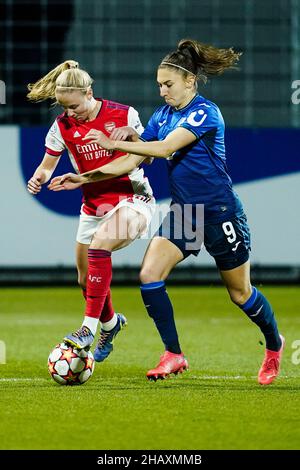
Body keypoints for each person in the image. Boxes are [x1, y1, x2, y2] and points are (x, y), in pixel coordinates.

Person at [49, 39, 285, 386]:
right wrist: (83, 177)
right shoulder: (162, 116)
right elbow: (133, 161)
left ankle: (274, 344)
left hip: (219, 212)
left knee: (240, 294)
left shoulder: (205, 111)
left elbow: (164, 148)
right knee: (149, 275)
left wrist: (115, 141)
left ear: (189, 81)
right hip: (186, 212)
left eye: (168, 84)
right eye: (159, 85)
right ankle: (173, 353)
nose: (162, 91)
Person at [27, 60, 155, 362]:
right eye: (65, 108)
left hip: (132, 200)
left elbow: (146, 159)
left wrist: (133, 139)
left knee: (100, 245)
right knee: (86, 280)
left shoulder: (124, 114)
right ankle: (111, 324)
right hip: (93, 206)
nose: (70, 113)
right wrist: (39, 178)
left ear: (89, 92)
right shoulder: (62, 125)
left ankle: (88, 329)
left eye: (75, 106)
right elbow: (47, 166)